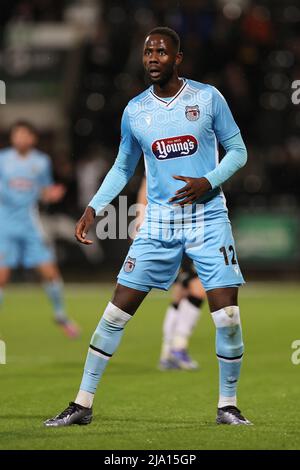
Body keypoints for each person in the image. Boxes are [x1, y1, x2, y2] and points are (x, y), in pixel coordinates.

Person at [45, 27, 251, 426]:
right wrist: (95, 207)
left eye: (161, 51)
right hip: (158, 224)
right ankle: (82, 403)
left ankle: (228, 405)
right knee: (115, 314)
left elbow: (239, 151)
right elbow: (124, 166)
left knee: (227, 318)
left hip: (208, 220)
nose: (153, 57)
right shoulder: (135, 110)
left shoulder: (207, 98)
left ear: (178, 58)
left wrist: (208, 181)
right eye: (147, 52)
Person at [0, 121, 80, 338]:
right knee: (2, 277)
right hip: (5, 225)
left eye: (25, 134)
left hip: (30, 224)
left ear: (32, 138)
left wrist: (50, 195)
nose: (21, 138)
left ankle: (60, 314)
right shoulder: (2, 159)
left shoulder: (41, 162)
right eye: (17, 134)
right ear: (12, 138)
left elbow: (43, 191)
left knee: (50, 273)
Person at [136, 176, 205, 371]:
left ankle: (167, 352)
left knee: (181, 292)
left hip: (185, 227)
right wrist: (140, 217)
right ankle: (178, 348)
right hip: (174, 228)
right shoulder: (170, 155)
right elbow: (146, 184)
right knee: (198, 289)